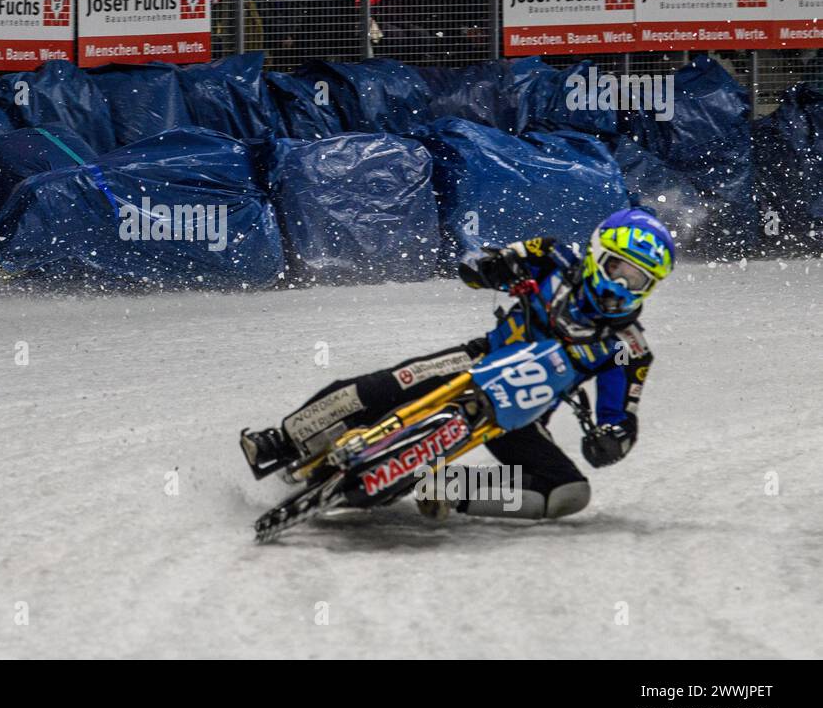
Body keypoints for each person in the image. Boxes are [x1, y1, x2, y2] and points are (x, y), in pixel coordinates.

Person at [241, 211, 678, 523]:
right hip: (479, 359)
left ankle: (449, 488)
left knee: (569, 493)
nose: (623, 287)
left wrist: (611, 440)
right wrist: (492, 266)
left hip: (519, 415)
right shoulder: (551, 256)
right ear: (598, 254)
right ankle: (282, 439)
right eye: (620, 270)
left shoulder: (628, 347)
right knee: (388, 385)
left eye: (639, 281)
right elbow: (475, 265)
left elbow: (621, 418)